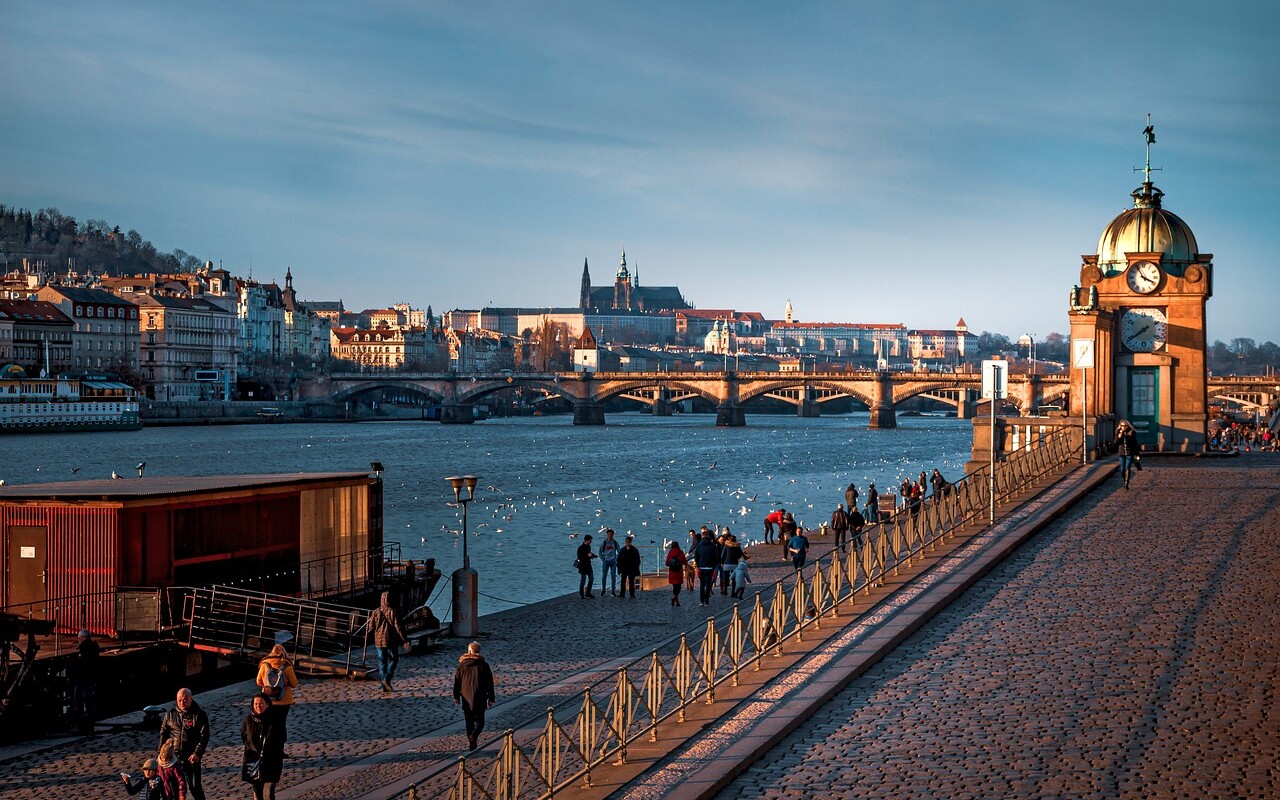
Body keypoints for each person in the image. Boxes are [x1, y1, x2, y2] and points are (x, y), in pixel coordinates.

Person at [158, 688, 209, 800]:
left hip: (191, 757)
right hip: (173, 758)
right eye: (179, 700)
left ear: (191, 699)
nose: (182, 703)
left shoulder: (199, 715)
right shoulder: (170, 714)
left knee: (195, 787)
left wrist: (197, 753)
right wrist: (160, 754)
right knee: (173, 789)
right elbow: (163, 734)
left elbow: (204, 736)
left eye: (185, 700)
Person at [453, 641, 497, 750]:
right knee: (480, 722)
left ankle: (471, 741)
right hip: (480, 696)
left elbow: (457, 682)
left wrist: (456, 696)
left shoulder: (462, 666)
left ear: (469, 651)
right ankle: (474, 737)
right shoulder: (484, 665)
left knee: (469, 722)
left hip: (466, 697)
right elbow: (490, 683)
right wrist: (491, 698)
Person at [240, 693, 285, 800]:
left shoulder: (276, 720)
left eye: (261, 704)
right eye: (256, 704)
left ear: (267, 705)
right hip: (253, 760)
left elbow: (281, 738)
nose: (258, 706)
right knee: (257, 792)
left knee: (268, 793)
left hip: (271, 761)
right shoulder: (248, 720)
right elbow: (244, 737)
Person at [255, 644, 298, 744]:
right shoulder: (287, 666)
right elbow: (294, 684)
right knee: (281, 724)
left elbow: (258, 681)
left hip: (268, 700)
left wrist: (267, 685)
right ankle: (280, 747)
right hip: (284, 701)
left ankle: (268, 745)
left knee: (269, 723)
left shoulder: (264, 664)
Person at [369, 591, 409, 692]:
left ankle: (383, 684)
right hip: (390, 640)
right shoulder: (393, 611)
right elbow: (398, 627)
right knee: (394, 659)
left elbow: (370, 627)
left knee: (382, 663)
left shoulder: (375, 611)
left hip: (378, 641)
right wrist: (405, 639)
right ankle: (386, 678)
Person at [69, 628, 100, 735]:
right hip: (90, 678)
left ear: (84, 638)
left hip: (82, 679)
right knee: (90, 703)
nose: (78, 640)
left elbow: (81, 665)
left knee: (78, 703)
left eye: (79, 638)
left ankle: (80, 726)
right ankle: (90, 726)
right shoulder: (94, 648)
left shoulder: (85, 649)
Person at [692, 529, 720, 606]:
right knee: (708, 584)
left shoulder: (699, 546)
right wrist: (714, 566)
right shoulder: (713, 545)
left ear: (702, 536)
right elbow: (715, 557)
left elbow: (696, 556)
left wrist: (698, 565)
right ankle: (707, 600)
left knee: (702, 584)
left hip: (701, 567)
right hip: (710, 567)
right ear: (708, 536)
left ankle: (702, 601)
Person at [1116, 419, 1140, 489]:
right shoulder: (1118, 432)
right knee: (1122, 469)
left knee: (1127, 467)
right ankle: (1124, 480)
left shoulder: (1132, 432)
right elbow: (1117, 443)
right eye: (1122, 426)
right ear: (1120, 426)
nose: (1123, 427)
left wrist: (1137, 454)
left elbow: (1135, 443)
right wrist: (1119, 436)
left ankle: (1127, 482)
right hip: (1121, 452)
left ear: (1128, 426)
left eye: (1125, 426)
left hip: (1130, 452)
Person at [598, 529, 620, 596]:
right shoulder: (604, 543)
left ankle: (613, 591)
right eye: (609, 534)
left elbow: (619, 552)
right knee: (604, 576)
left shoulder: (615, 543)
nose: (610, 536)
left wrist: (616, 559)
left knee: (613, 576)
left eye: (611, 534)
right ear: (606, 535)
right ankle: (603, 589)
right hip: (606, 561)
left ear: (613, 535)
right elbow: (600, 552)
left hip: (613, 561)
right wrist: (602, 559)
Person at [665, 541, 687, 606]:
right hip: (679, 572)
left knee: (674, 587)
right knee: (679, 587)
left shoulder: (670, 552)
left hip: (672, 572)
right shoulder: (681, 552)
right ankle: (675, 598)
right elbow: (685, 562)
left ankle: (676, 600)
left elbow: (666, 563)